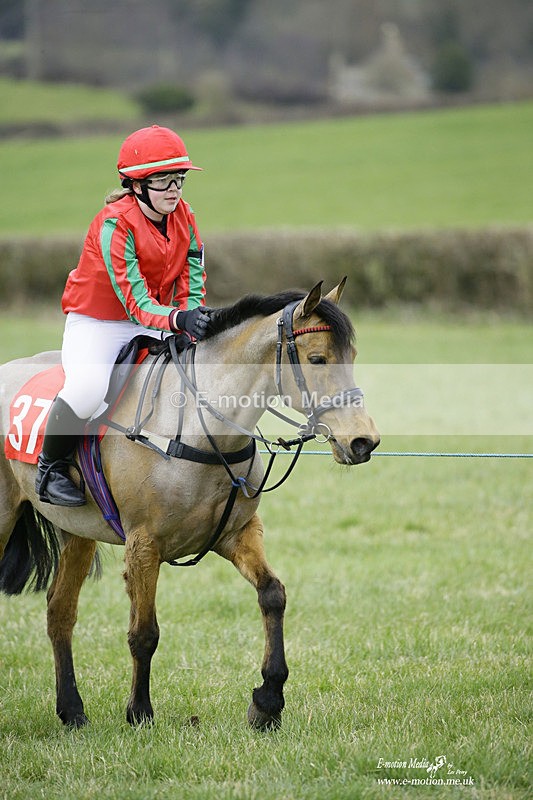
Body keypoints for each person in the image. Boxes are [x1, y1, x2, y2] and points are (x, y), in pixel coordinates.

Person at [35, 125, 212, 507]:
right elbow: (136, 303)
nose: (174, 189)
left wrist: (192, 318)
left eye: (179, 179)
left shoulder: (186, 216)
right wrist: (179, 320)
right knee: (87, 390)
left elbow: (192, 279)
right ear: (136, 185)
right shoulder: (114, 224)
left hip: (157, 318)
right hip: (98, 322)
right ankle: (50, 468)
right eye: (163, 180)